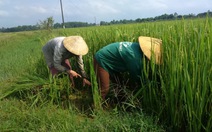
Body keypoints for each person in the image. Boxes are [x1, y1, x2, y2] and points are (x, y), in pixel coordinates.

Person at [94, 36, 162, 100]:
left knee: (119, 84)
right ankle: (96, 107)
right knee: (104, 89)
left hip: (111, 59)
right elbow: (136, 80)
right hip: (102, 59)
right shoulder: (136, 59)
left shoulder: (137, 46)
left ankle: (119, 101)